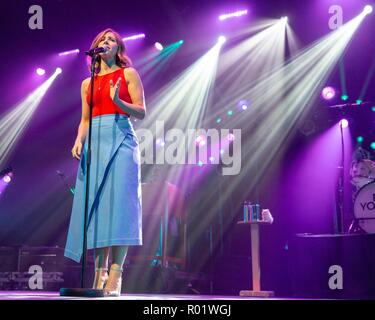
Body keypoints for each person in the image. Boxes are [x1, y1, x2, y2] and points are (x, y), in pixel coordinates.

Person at [64, 28, 145, 296]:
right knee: (98, 208)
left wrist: (118, 101)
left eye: (111, 40)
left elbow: (142, 112)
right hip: (95, 141)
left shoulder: (128, 74)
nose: (106, 42)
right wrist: (79, 139)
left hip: (121, 137)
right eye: (101, 40)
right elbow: (86, 119)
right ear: (95, 48)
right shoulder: (87, 83)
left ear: (118, 48)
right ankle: (98, 274)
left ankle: (116, 274)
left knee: (120, 207)